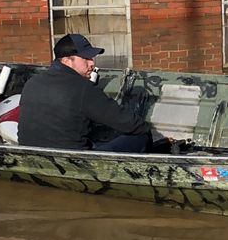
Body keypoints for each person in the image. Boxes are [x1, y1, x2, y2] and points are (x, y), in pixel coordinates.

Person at [18, 34, 152, 152]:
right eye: (85, 58)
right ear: (66, 60)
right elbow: (128, 123)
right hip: (75, 162)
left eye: (91, 58)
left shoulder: (32, 82)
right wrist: (147, 129)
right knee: (141, 136)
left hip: (31, 154)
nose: (92, 63)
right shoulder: (82, 88)